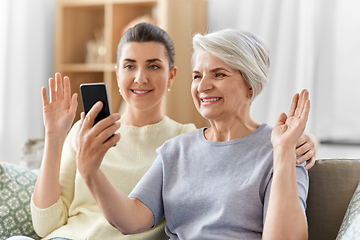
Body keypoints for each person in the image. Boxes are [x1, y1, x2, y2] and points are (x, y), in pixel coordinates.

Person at [7, 23, 315, 240]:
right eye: (198, 76)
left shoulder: (280, 150)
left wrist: (288, 150)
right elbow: (132, 220)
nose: (203, 86)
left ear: (251, 84)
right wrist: (90, 172)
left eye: (218, 74)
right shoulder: (176, 150)